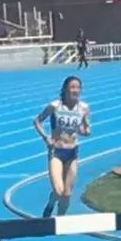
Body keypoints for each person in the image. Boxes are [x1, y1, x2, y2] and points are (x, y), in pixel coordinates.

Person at [33, 75, 91, 217]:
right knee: (59, 192)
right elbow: (37, 121)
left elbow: (86, 129)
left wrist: (85, 130)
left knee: (66, 194)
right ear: (65, 89)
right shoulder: (55, 106)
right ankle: (51, 204)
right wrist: (46, 137)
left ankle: (60, 221)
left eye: (78, 87)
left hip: (72, 153)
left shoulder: (83, 108)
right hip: (56, 152)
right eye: (72, 87)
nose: (75, 90)